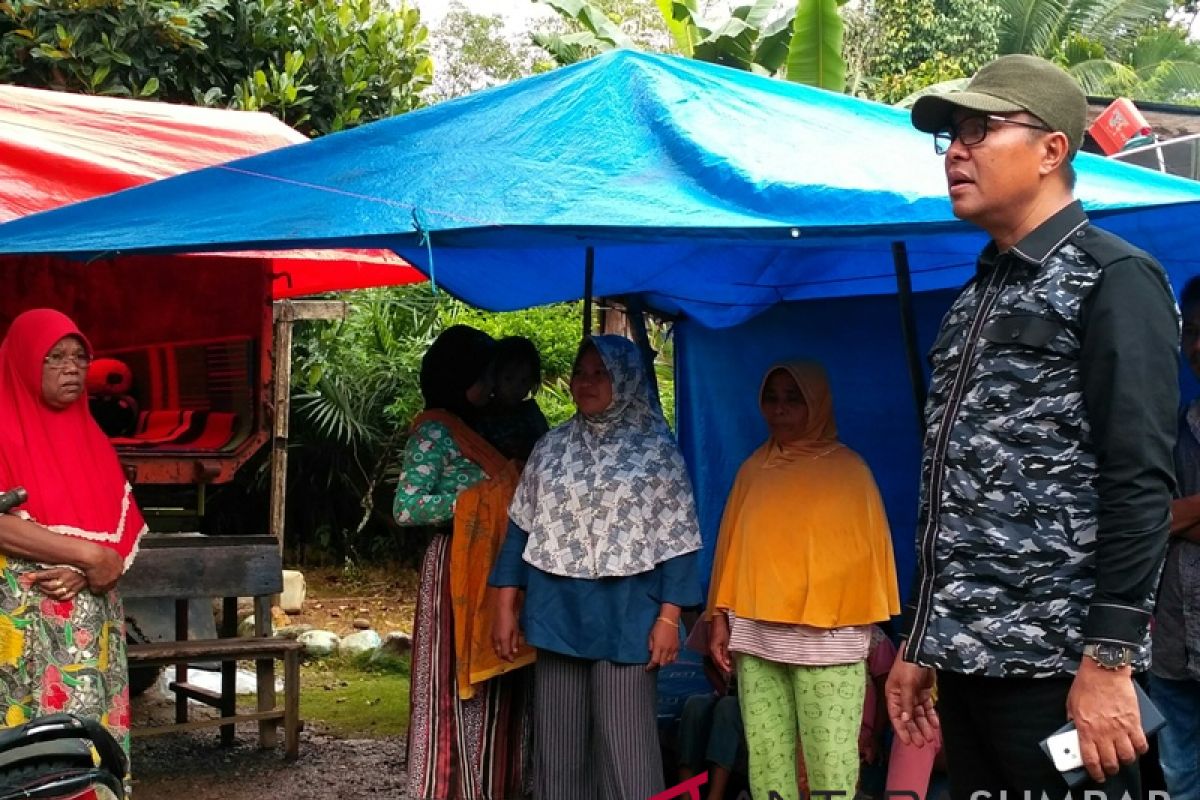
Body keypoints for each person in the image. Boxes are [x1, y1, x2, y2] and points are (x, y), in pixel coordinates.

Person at [888, 54, 1179, 796]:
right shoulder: (970, 302)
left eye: (980, 130)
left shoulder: (1113, 279)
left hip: (1060, 676)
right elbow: (949, 492)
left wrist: (1109, 663)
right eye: (951, 135)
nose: (957, 150)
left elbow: (1139, 481)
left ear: (1052, 149)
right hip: (968, 669)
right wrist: (923, 641)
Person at [490, 334, 703, 800]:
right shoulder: (552, 447)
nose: (586, 383)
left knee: (627, 752)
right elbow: (519, 529)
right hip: (557, 612)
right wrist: (505, 606)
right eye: (580, 372)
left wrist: (670, 619)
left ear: (625, 380)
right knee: (558, 753)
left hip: (626, 616)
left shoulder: (657, 454)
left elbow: (681, 540)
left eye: (600, 373)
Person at [707, 362, 900, 800]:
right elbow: (730, 551)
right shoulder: (753, 470)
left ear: (817, 403)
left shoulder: (850, 472)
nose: (780, 408)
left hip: (827, 644)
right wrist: (719, 617)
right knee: (768, 766)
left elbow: (867, 561)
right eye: (772, 397)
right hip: (757, 639)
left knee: (830, 764)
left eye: (793, 397)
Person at [0, 309, 146, 774]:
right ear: (24, 361)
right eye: (55, 357)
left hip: (91, 636)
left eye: (80, 357)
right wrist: (86, 556)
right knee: (26, 747)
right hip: (21, 632)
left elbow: (118, 539)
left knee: (86, 743)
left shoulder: (93, 439)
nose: (72, 367)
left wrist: (93, 570)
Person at [394, 325, 532, 800]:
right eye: (485, 376)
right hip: (454, 571)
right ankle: (446, 785)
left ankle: (493, 783)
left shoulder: (482, 426)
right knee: (453, 680)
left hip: (496, 567)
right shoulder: (435, 430)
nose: (493, 386)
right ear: (459, 376)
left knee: (499, 673)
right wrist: (476, 501)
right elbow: (407, 507)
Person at [1151, 276, 1200, 800]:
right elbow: (1144, 520)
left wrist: (1176, 516)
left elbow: (1164, 519)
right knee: (1180, 779)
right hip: (1171, 649)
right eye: (1193, 331)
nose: (1198, 346)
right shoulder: (1171, 429)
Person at [474, 336, 549, 462]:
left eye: (524, 381)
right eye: (508, 379)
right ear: (493, 376)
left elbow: (547, 444)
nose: (516, 388)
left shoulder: (531, 413)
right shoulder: (482, 415)